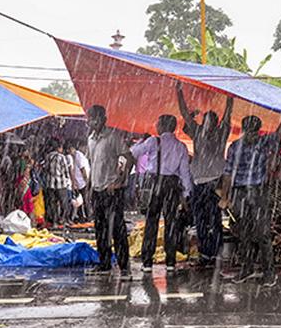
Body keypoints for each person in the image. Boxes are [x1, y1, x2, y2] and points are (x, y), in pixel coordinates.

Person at [219, 113, 281, 285]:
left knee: (262, 233)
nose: (252, 135)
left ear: (257, 131)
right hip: (243, 192)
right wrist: (225, 197)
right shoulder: (237, 146)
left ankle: (268, 273)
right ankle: (248, 269)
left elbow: (279, 134)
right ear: (245, 130)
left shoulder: (261, 142)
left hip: (256, 192)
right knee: (245, 233)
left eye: (254, 132)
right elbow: (228, 173)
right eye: (250, 131)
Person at [178, 83, 233, 266]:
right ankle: (210, 253)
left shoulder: (207, 133)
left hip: (208, 183)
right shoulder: (211, 133)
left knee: (208, 219)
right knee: (207, 220)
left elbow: (227, 116)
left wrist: (230, 98)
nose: (208, 124)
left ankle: (210, 254)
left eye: (209, 120)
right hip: (207, 183)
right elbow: (185, 114)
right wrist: (230, 99)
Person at [132, 114, 193, 272]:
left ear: (163, 126)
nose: (156, 126)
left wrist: (141, 140)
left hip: (155, 184)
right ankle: (170, 261)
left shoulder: (154, 141)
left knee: (151, 222)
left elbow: (134, 152)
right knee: (171, 222)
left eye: (158, 123)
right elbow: (185, 173)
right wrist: (187, 193)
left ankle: (147, 262)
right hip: (172, 186)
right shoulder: (181, 146)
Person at [87, 105, 133, 277]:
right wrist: (90, 187)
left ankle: (124, 267)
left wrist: (119, 181)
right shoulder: (90, 139)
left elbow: (129, 158)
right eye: (90, 118)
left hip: (112, 191)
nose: (92, 121)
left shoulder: (113, 137)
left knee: (117, 229)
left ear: (103, 119)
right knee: (100, 229)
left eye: (95, 118)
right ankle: (104, 264)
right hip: (97, 190)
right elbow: (93, 164)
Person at [44, 141, 74, 229]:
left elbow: (46, 169)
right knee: (64, 203)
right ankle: (63, 219)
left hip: (50, 184)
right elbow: (66, 171)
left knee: (52, 204)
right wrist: (69, 180)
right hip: (61, 184)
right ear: (59, 148)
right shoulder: (62, 157)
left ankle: (54, 222)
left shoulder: (48, 156)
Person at [68, 143, 91, 223]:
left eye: (70, 149)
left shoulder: (79, 156)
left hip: (82, 182)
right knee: (79, 201)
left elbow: (83, 169)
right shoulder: (74, 156)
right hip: (78, 182)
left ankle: (88, 216)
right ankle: (81, 217)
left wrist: (86, 181)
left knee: (85, 200)